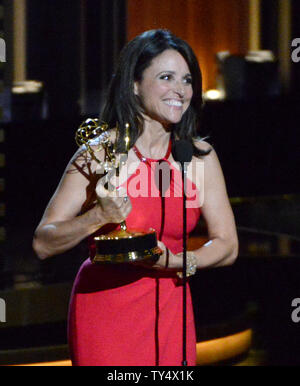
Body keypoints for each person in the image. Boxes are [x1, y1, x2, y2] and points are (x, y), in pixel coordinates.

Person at [33, 29, 238, 366]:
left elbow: (228, 245)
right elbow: (43, 243)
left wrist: (176, 262)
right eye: (166, 77)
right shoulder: (99, 154)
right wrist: (98, 216)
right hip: (106, 312)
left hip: (172, 309)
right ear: (134, 84)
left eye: (187, 80)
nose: (180, 90)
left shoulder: (199, 157)